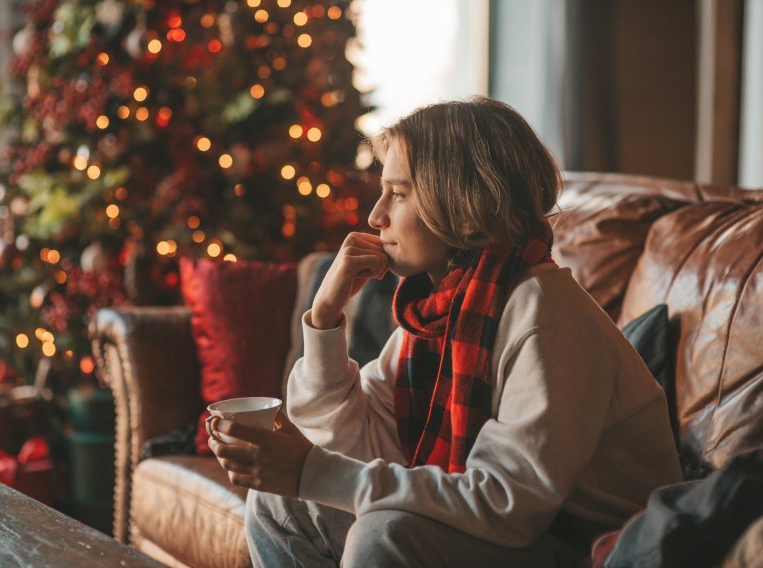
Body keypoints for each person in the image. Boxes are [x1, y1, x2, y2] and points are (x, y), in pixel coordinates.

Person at [208, 97, 683, 567]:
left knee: (383, 535)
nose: (375, 217)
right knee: (278, 504)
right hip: (526, 532)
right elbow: (348, 441)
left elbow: (507, 504)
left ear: (467, 205)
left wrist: (312, 472)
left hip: (589, 543)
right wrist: (325, 318)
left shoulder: (544, 315)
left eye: (398, 193)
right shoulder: (441, 314)